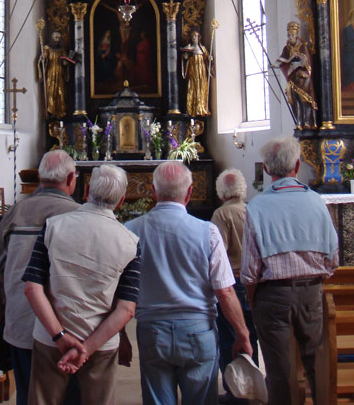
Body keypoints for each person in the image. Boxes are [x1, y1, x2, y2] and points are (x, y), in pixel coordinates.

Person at [125, 161, 253, 405]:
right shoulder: (207, 232)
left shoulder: (131, 230)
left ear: (152, 191)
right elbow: (225, 291)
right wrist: (242, 333)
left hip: (152, 330)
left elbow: (122, 289)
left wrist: (120, 335)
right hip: (198, 329)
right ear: (190, 192)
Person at [23, 164, 140, 405]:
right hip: (101, 343)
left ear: (86, 190)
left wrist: (60, 336)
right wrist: (86, 348)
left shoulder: (53, 226)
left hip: (50, 338)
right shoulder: (130, 242)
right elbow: (126, 309)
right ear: (121, 201)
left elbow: (32, 288)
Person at [241, 137, 339, 405]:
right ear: (297, 165)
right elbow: (333, 259)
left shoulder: (258, 206)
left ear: (267, 170)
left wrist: (252, 298)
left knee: (279, 370)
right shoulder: (317, 202)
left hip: (272, 296)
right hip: (311, 292)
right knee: (317, 364)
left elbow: (250, 270)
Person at [0, 150, 81, 405]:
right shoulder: (80, 217)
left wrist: (5, 313)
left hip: (22, 321)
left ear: (39, 177)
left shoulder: (15, 213)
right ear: (72, 179)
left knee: (28, 394)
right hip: (69, 326)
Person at [211, 168, 258, 405]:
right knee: (251, 336)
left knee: (231, 337)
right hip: (253, 282)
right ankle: (253, 387)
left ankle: (235, 393)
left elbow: (218, 254)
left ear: (221, 191)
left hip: (232, 283)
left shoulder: (222, 215)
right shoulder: (253, 211)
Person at [275, 21, 317, 129]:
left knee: (305, 100)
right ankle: (299, 122)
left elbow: (307, 62)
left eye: (292, 35)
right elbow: (282, 60)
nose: (290, 37)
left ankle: (307, 121)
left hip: (303, 77)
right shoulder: (287, 48)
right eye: (289, 35)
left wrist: (302, 68)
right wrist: (275, 64)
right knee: (295, 100)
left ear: (296, 34)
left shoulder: (303, 46)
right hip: (293, 78)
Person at [38, 30, 76, 118]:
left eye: (59, 38)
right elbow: (43, 59)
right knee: (50, 92)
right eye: (56, 38)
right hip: (50, 73)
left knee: (60, 92)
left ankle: (60, 111)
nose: (57, 40)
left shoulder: (62, 50)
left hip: (60, 74)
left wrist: (66, 63)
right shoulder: (47, 48)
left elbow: (65, 62)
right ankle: (50, 111)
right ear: (52, 38)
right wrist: (43, 59)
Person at [180, 29, 213, 117]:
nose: (194, 38)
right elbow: (184, 60)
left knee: (202, 88)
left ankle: (201, 107)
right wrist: (186, 58)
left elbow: (207, 59)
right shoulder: (188, 48)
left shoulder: (203, 48)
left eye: (196, 36)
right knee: (193, 88)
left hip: (201, 72)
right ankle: (192, 109)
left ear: (199, 38)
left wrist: (209, 59)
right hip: (193, 72)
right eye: (193, 36)